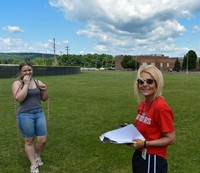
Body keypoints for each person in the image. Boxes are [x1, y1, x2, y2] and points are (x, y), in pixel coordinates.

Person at [130, 65, 176, 173]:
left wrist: (145, 144)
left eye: (149, 81)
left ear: (157, 83)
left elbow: (171, 139)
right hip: (140, 155)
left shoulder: (160, 107)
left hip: (153, 158)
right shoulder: (143, 104)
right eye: (141, 82)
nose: (144, 85)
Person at [12, 61, 48, 173]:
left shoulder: (37, 82)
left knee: (42, 140)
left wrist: (45, 89)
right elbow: (19, 98)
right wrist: (26, 84)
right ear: (21, 72)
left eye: (29, 69)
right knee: (29, 140)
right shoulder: (17, 84)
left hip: (39, 113)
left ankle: (37, 155)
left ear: (32, 70)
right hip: (25, 114)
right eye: (25, 70)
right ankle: (33, 164)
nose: (28, 72)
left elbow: (45, 98)